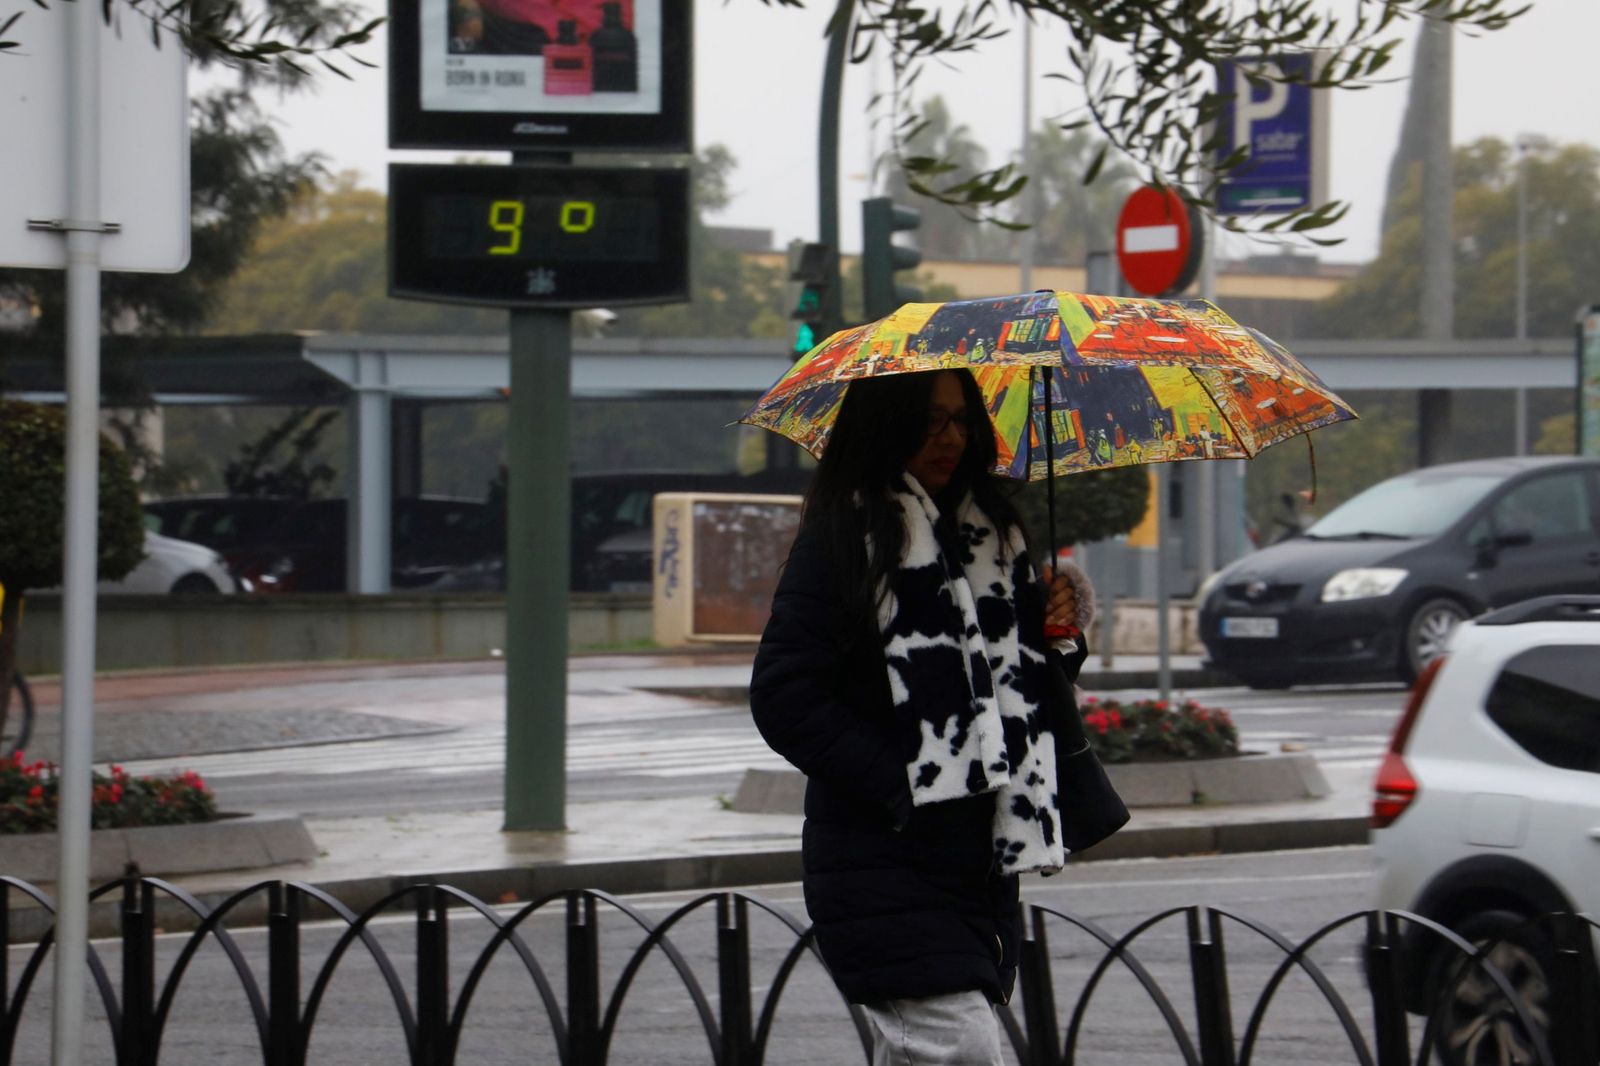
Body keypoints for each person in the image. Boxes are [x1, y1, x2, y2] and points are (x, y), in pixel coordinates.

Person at [749, 368, 1096, 1066]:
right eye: (930, 421)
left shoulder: (993, 537)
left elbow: (1022, 695)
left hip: (982, 860)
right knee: (962, 1049)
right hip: (882, 861)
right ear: (886, 427)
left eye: (963, 420)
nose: (951, 438)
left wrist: (1061, 631)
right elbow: (785, 695)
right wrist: (904, 786)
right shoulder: (846, 537)